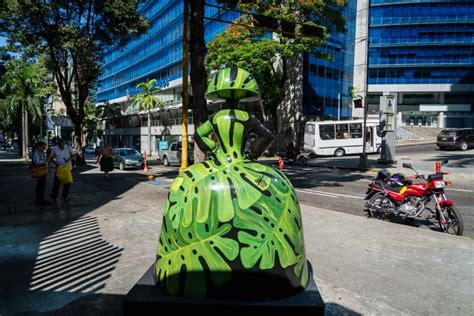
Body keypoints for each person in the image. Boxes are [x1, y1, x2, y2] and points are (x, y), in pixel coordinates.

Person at [32, 141, 50, 206]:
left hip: (42, 171)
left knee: (42, 185)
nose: (43, 148)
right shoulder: (36, 153)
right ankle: (39, 200)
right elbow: (37, 162)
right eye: (42, 147)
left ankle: (41, 199)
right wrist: (45, 161)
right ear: (38, 147)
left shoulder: (40, 153)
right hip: (39, 170)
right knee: (40, 186)